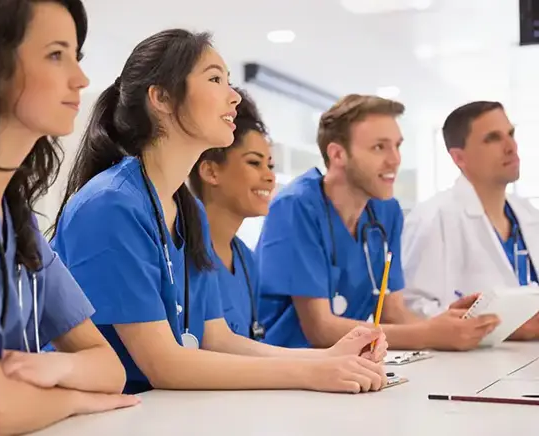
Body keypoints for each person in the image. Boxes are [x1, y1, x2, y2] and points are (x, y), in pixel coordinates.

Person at [51, 29, 389, 397]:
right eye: (215, 79)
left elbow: (217, 338)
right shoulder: (110, 205)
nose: (234, 98)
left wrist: (325, 359)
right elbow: (165, 365)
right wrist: (311, 374)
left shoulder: (187, 208)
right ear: (161, 97)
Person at [0, 1, 135, 434]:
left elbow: (110, 368)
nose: (80, 79)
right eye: (55, 55)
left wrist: (51, 373)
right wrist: (78, 399)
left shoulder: (16, 218)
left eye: (76, 57)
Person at [255, 94, 501, 351]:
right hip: (284, 371)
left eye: (397, 146)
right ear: (338, 154)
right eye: (379, 147)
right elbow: (320, 328)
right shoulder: (296, 206)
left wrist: (448, 327)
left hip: (344, 366)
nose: (395, 159)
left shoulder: (386, 211)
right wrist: (429, 334)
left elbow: (393, 312)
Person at [402, 101, 539, 340]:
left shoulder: (527, 213)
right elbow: (412, 309)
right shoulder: (433, 218)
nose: (510, 146)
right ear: (459, 157)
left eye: (511, 134)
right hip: (475, 368)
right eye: (493, 138)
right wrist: (504, 325)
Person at [187, 87, 275, 339]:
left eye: (270, 165)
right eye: (254, 163)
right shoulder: (185, 253)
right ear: (211, 172)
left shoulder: (246, 259)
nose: (269, 176)